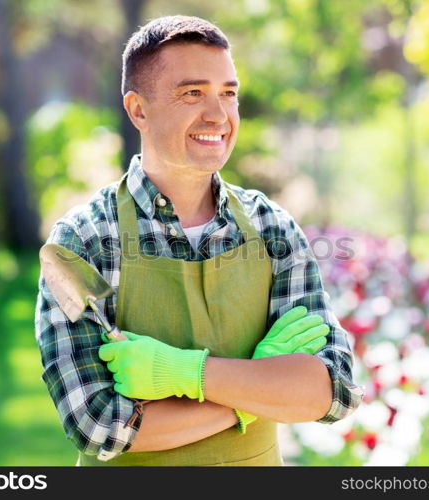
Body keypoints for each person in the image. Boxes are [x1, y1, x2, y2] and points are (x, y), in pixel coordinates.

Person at [34, 15, 364, 466]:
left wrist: (186, 373)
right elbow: (99, 425)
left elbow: (334, 391)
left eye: (229, 93)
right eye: (193, 93)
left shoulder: (272, 229)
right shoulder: (86, 239)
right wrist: (256, 390)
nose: (218, 114)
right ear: (138, 110)